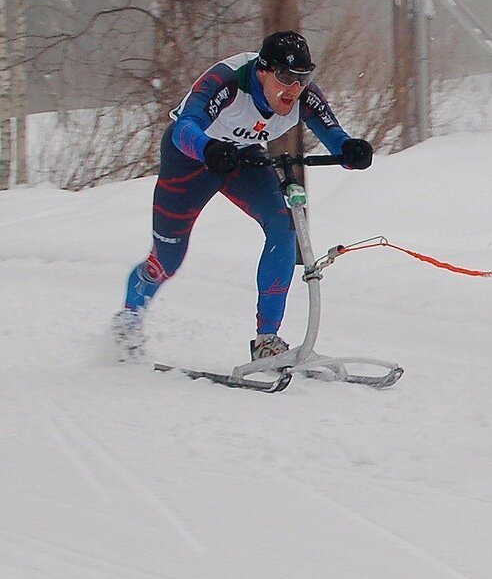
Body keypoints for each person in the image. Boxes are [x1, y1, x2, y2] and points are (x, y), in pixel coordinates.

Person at [112, 30, 374, 361]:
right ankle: (128, 320)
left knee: (284, 224)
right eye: (284, 77)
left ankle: (267, 340)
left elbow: (335, 138)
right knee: (167, 259)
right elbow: (184, 129)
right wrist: (208, 148)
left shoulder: (303, 95)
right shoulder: (228, 81)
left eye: (303, 78)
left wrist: (352, 152)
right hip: (190, 158)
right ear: (262, 71)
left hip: (241, 156)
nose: (293, 88)